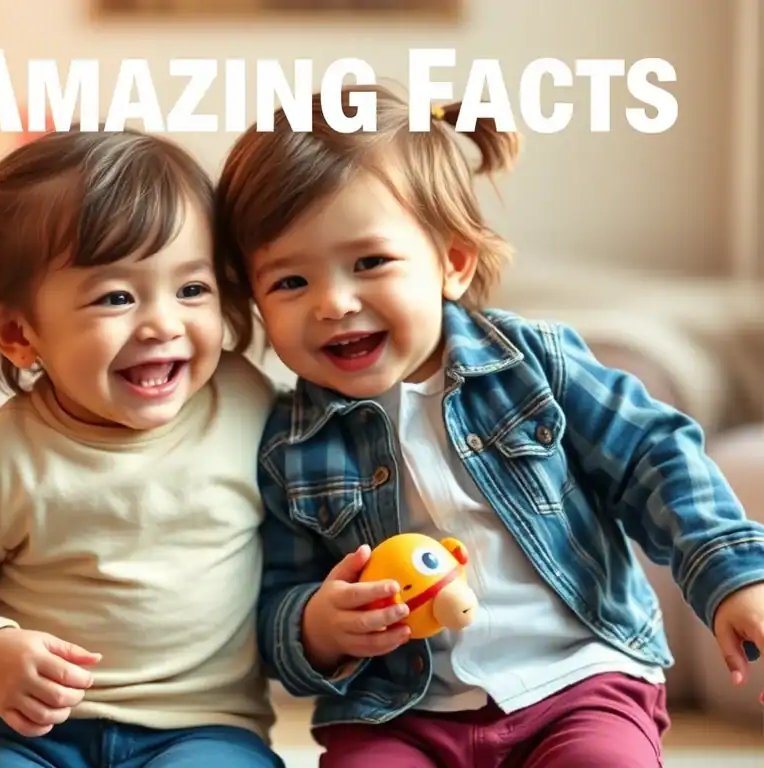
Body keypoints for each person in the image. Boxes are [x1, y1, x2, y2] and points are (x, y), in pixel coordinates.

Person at [214, 83, 764, 768]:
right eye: (290, 282)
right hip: (400, 711)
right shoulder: (287, 445)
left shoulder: (536, 365)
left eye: (370, 263)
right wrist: (317, 627)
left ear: (452, 261)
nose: (334, 302)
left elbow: (655, 457)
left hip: (577, 677)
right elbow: (273, 598)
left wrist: (732, 574)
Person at [0, 128, 283, 768]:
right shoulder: (2, 455)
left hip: (200, 728)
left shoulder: (247, 404)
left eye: (191, 289)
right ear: (18, 332)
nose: (163, 323)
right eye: (116, 297)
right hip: (25, 732)